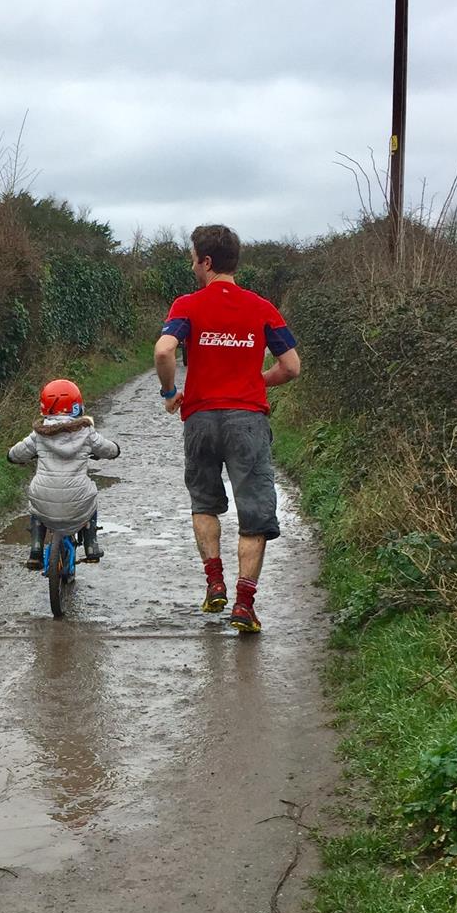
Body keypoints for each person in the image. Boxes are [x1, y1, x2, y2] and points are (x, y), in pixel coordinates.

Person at [154, 225, 301, 634]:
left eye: (193, 259)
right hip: (248, 422)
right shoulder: (262, 308)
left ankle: (214, 581)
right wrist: (259, 381)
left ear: (207, 261)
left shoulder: (186, 305)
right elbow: (291, 366)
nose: (192, 266)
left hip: (200, 419)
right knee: (253, 515)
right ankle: (244, 605)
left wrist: (169, 392)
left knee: (204, 503)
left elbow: (165, 349)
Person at [7, 378, 120, 570]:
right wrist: (115, 449)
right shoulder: (86, 432)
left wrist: (17, 456)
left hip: (45, 498)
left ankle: (35, 550)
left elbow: (14, 455)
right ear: (77, 405)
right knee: (91, 495)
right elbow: (109, 450)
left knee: (35, 503)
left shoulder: (39, 434)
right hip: (77, 500)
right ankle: (91, 545)